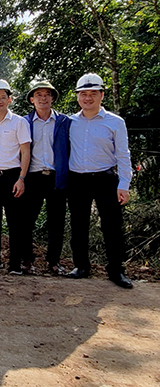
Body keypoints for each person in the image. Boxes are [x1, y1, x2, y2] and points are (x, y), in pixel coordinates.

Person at [66, 73, 133, 289]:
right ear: (77, 97)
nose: (88, 98)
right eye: (83, 94)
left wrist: (124, 184)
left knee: (112, 226)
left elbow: (123, 155)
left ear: (101, 95)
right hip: (77, 180)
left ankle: (116, 270)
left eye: (93, 93)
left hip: (105, 179)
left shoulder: (115, 122)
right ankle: (81, 266)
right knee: (78, 225)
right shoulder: (70, 122)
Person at [0, 80, 31, 274]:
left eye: (2, 97)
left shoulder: (19, 122)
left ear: (9, 99)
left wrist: (22, 178)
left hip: (12, 177)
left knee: (14, 222)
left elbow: (25, 152)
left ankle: (15, 263)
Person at [24, 81, 71, 275]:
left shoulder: (64, 122)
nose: (43, 98)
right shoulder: (24, 122)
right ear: (32, 99)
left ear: (52, 98)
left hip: (56, 178)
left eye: (47, 94)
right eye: (39, 95)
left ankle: (53, 262)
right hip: (32, 177)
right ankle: (27, 261)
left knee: (56, 222)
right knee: (26, 221)